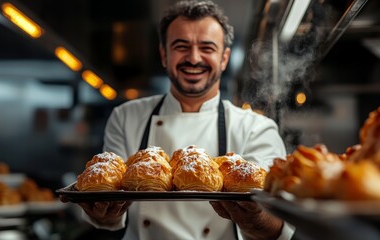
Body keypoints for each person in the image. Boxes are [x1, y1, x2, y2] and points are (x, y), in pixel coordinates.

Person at [69, 0, 294, 239]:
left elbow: (277, 225)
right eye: (181, 46)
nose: (194, 58)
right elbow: (107, 212)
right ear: (164, 55)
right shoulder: (126, 116)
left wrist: (256, 220)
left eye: (207, 47)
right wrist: (104, 214)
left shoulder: (257, 128)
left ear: (224, 58)